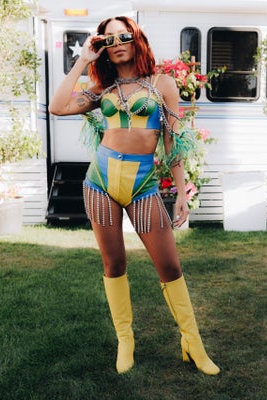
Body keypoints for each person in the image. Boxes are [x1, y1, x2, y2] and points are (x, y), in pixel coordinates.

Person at [49, 16, 219, 376]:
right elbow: (57, 106)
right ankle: (125, 340)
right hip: (101, 183)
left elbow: (172, 141)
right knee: (114, 265)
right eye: (108, 39)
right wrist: (83, 59)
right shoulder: (102, 89)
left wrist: (182, 192)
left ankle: (192, 343)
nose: (117, 43)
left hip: (142, 185)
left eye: (123, 36)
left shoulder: (162, 84)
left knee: (170, 266)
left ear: (137, 39)